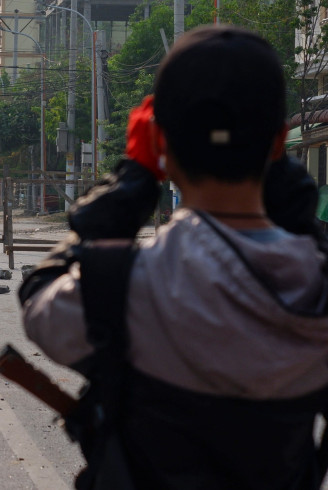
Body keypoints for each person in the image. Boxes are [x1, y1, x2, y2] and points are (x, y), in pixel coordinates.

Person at [19, 26, 328, 490]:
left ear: (159, 143)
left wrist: (131, 183)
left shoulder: (121, 284)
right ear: (280, 144)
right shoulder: (318, 286)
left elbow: (38, 297)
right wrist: (295, 204)